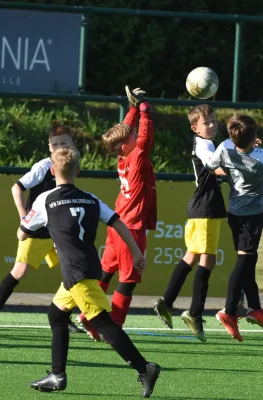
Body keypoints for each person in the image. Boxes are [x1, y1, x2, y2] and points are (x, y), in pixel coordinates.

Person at [20, 146, 160, 398]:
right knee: (56, 315)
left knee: (103, 323)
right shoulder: (90, 198)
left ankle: (145, 368)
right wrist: (137, 253)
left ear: (52, 171)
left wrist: (27, 228)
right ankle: (57, 375)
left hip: (76, 273)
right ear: (79, 171)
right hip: (87, 267)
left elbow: (24, 231)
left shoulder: (46, 199)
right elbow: (118, 222)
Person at [0, 124, 84, 333]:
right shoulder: (43, 167)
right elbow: (16, 187)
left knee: (72, 271)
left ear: (72, 145)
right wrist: (23, 216)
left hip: (58, 231)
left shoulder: (71, 163)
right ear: (49, 147)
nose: (59, 147)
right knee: (19, 271)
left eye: (64, 143)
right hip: (37, 232)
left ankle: (65, 316)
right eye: (55, 144)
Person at [204, 115, 263, 342]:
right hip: (252, 216)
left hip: (234, 212)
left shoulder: (224, 147)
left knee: (249, 260)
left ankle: (254, 307)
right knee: (244, 261)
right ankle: (229, 311)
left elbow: (212, 167)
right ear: (254, 138)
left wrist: (232, 170)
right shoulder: (261, 158)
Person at [77, 86, 157, 340]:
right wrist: (145, 111)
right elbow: (144, 139)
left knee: (105, 273)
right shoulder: (134, 158)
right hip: (131, 227)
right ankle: (115, 327)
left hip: (117, 223)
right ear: (125, 145)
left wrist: (132, 108)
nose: (135, 135)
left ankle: (86, 314)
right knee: (128, 281)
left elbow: (126, 133)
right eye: (131, 136)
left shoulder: (123, 156)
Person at [153, 105, 227, 342]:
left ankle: (166, 301)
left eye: (214, 120)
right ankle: (194, 313)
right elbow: (214, 167)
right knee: (206, 258)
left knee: (195, 256)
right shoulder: (202, 144)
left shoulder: (211, 143)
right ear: (195, 128)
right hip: (204, 208)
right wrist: (239, 168)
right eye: (207, 122)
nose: (213, 125)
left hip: (207, 207)